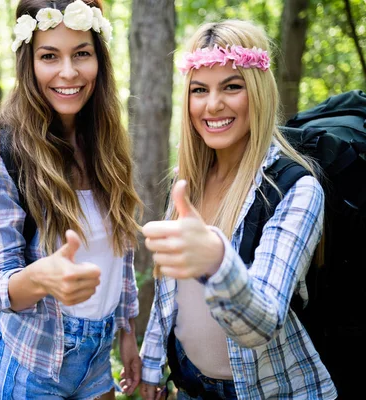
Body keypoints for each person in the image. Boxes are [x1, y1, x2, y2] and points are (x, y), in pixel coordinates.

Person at [138, 20, 338, 399]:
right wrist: (152, 366)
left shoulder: (295, 189)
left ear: (258, 92)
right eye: (200, 90)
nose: (213, 104)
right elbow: (169, 292)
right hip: (191, 390)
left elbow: (260, 324)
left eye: (232, 86)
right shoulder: (186, 183)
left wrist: (216, 259)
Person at [0, 0, 143, 398]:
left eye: (81, 53)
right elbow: (0, 284)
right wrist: (42, 276)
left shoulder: (106, 147)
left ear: (100, 58)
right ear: (28, 64)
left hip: (97, 362)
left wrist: (127, 330)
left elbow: (121, 249)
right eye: (50, 56)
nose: (68, 71)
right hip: (27, 368)